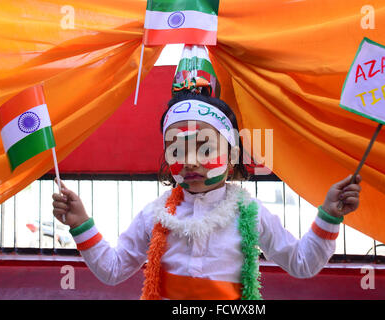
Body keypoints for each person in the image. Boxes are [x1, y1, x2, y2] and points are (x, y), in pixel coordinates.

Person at [52, 91, 362, 300]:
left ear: (232, 156)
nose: (189, 161)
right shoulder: (155, 213)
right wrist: (81, 224)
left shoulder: (249, 211)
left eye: (205, 148)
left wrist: (329, 216)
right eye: (177, 149)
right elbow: (112, 270)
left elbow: (302, 263)